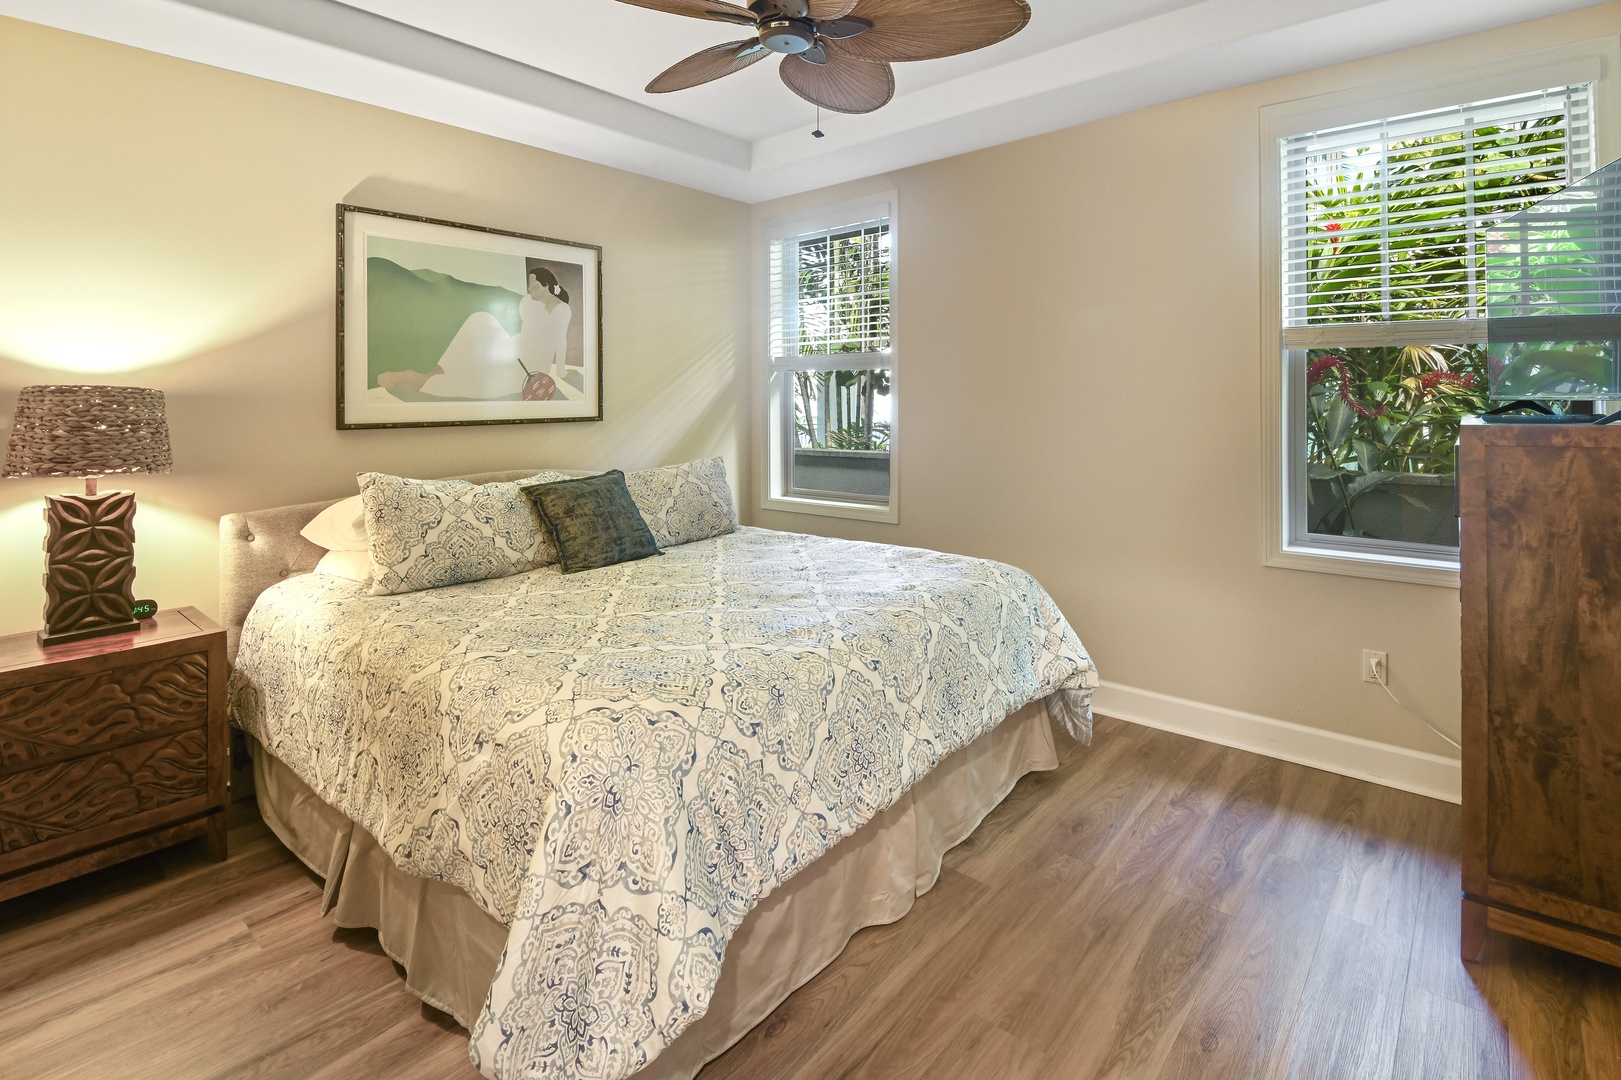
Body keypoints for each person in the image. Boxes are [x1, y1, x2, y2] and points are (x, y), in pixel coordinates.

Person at [517, 267, 572, 388]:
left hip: (538, 358)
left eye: (532, 282)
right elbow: (529, 330)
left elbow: (560, 340)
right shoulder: (526, 300)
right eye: (528, 283)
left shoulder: (562, 308)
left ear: (546, 285)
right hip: (519, 350)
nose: (529, 287)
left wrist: (561, 371)